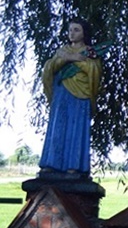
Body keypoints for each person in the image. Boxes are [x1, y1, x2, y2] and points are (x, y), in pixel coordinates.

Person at [39, 17, 102, 178]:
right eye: (70, 30)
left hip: (81, 96)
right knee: (58, 127)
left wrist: (73, 59)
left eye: (76, 30)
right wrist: (70, 58)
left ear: (84, 33)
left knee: (76, 128)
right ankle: (52, 164)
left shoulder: (90, 52)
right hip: (62, 94)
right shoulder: (63, 50)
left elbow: (94, 70)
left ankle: (74, 165)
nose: (72, 33)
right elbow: (50, 67)